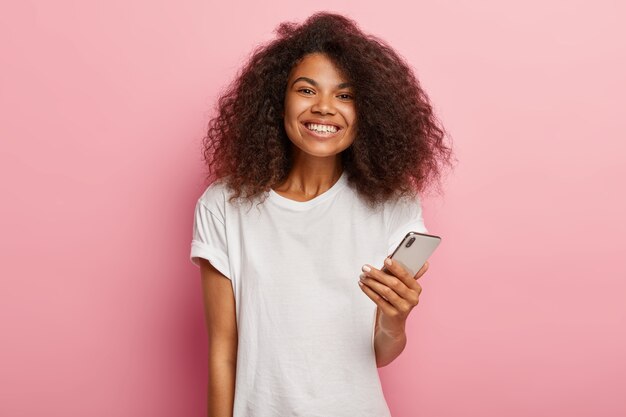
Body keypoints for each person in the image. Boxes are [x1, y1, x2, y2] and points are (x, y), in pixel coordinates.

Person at [190, 11, 453, 417]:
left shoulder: (392, 204)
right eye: (307, 90)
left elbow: (380, 355)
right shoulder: (224, 205)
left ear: (368, 111)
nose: (325, 108)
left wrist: (394, 319)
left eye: (345, 96)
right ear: (277, 100)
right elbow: (224, 352)